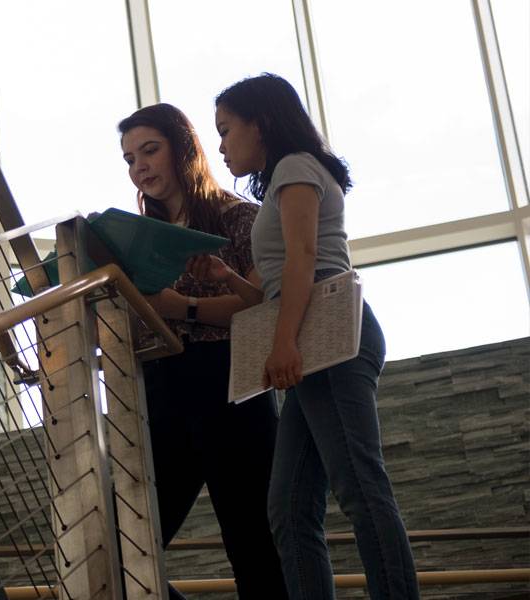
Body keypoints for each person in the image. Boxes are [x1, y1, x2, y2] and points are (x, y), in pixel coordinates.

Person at [189, 73, 419, 599]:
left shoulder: (295, 167)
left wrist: (284, 342)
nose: (220, 146)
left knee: (360, 488)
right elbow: (274, 287)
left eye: (226, 130)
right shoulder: (281, 181)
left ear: (261, 123)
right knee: (289, 508)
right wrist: (226, 279)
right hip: (311, 327)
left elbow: (305, 260)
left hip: (327, 330)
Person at [118, 103, 288, 599]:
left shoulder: (243, 218)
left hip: (233, 385)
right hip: (160, 390)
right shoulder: (134, 240)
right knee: (120, 543)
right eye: (129, 159)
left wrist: (180, 305)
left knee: (255, 547)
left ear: (183, 148)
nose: (139, 166)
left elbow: (262, 308)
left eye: (150, 150)